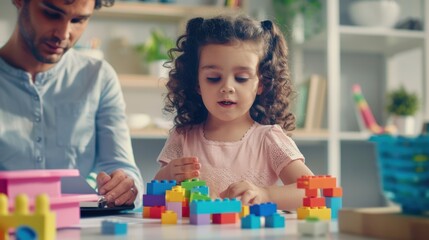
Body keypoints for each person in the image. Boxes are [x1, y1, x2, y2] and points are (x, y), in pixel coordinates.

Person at [154, 14, 314, 210]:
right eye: (213, 78)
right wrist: (168, 174)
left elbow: (313, 192)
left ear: (261, 83)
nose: (227, 87)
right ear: (197, 83)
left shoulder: (269, 139)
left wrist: (264, 194)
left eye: (241, 78)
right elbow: (155, 196)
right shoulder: (183, 137)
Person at [0, 0, 143, 208]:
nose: (64, 34)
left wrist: (125, 186)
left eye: (78, 20)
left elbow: (121, 167)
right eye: (52, 14)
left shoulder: (98, 77)